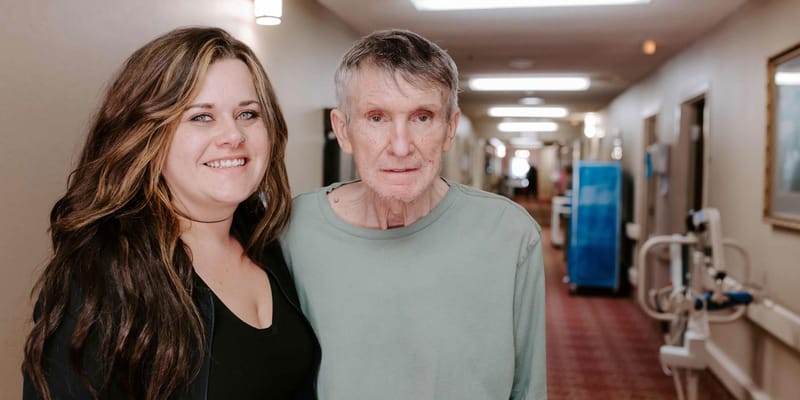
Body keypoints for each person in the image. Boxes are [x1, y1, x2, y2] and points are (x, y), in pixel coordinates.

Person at [22, 27, 320, 400]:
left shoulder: (272, 240)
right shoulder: (100, 277)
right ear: (148, 135)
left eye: (248, 113)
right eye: (201, 117)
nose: (233, 135)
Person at [281, 29, 546, 399]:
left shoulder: (510, 233)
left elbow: (529, 388)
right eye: (376, 117)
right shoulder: (293, 229)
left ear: (449, 129)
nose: (401, 146)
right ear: (343, 131)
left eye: (422, 117)